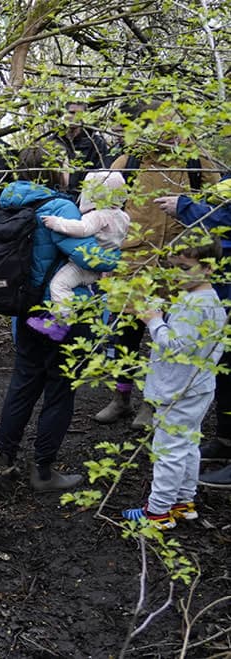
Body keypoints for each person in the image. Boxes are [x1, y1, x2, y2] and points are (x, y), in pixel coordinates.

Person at [0, 145, 122, 491]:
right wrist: (117, 248)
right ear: (53, 171)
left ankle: (2, 459)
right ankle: (43, 472)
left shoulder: (8, 203)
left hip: (25, 313)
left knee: (22, 384)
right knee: (59, 391)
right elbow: (97, 259)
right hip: (63, 317)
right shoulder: (59, 207)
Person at [93, 101, 221, 426]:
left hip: (178, 267)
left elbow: (216, 212)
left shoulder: (197, 160)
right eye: (160, 124)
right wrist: (105, 255)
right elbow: (103, 209)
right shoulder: (131, 160)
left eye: (173, 124)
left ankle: (152, 403)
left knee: (164, 335)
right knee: (125, 335)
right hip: (132, 262)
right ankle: (121, 397)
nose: (167, 132)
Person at [121, 239, 226, 528]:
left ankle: (157, 513)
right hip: (197, 387)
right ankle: (183, 501)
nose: (175, 274)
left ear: (207, 268)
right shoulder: (203, 298)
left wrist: (153, 321)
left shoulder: (196, 305)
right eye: (172, 267)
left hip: (180, 390)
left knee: (168, 451)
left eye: (183, 268)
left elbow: (176, 347)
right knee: (188, 444)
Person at [153, 178, 231, 487]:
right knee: (223, 367)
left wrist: (186, 208)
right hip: (221, 288)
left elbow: (175, 347)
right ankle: (225, 440)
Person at [26, 170, 131, 341]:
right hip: (100, 265)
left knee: (59, 285)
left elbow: (82, 229)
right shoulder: (123, 216)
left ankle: (60, 322)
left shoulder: (98, 215)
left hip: (84, 265)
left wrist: (58, 223)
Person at [55, 100, 111, 195]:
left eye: (80, 114)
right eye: (72, 113)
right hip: (55, 197)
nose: (75, 117)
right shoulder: (54, 141)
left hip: (84, 197)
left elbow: (102, 174)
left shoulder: (96, 143)